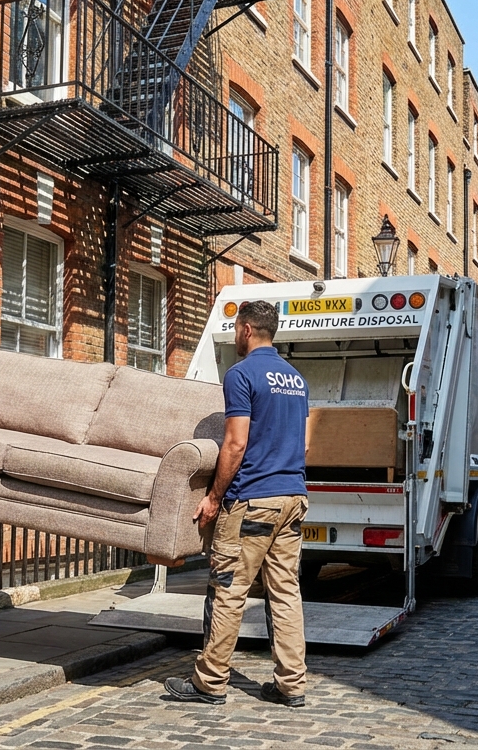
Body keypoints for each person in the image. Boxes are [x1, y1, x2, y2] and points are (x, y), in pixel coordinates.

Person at [164, 301, 310, 707]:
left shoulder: (241, 374)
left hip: (252, 501)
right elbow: (305, 443)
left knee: (228, 589)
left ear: (246, 329)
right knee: (285, 593)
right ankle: (291, 685)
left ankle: (209, 682)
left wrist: (213, 498)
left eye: (234, 328)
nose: (233, 334)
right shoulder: (297, 379)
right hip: (293, 498)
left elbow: (235, 442)